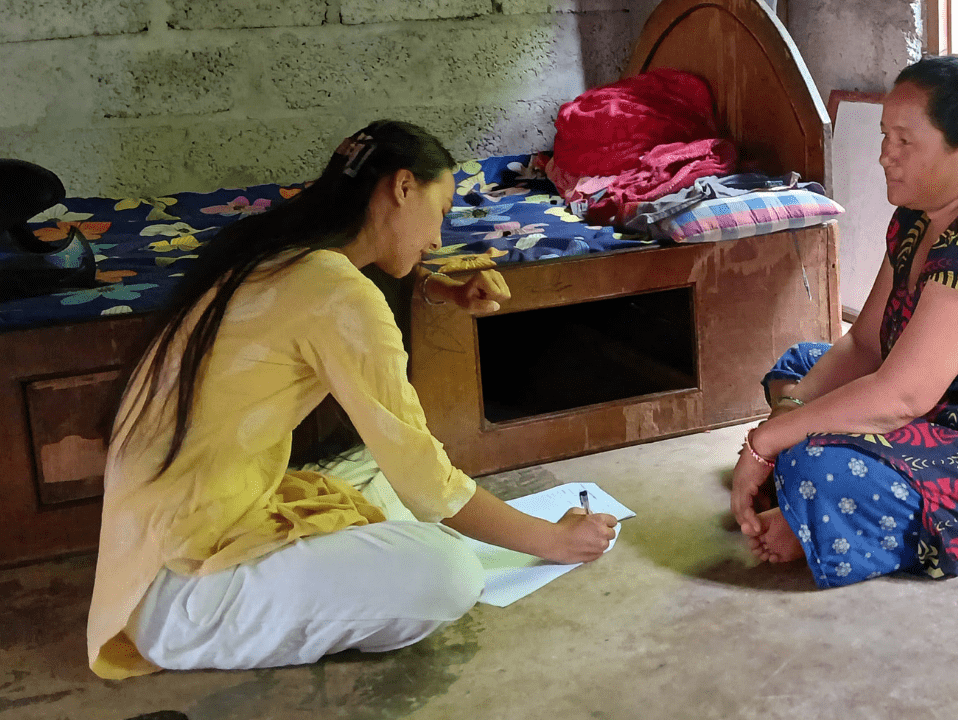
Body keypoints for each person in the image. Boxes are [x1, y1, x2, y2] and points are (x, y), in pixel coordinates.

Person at [87, 120, 618, 679]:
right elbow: (429, 481)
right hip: (187, 600)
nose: (438, 239)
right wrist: (553, 540)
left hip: (148, 555)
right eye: (439, 213)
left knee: (365, 468)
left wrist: (438, 288)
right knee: (451, 573)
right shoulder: (338, 293)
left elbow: (331, 305)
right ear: (403, 187)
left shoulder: (271, 247)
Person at [730, 57, 958, 586]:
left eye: (905, 141)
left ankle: (819, 518)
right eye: (886, 136)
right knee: (797, 371)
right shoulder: (917, 217)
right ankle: (814, 502)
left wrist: (767, 444)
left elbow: (903, 396)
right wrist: (788, 416)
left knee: (820, 467)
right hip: (943, 409)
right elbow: (865, 346)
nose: (885, 155)